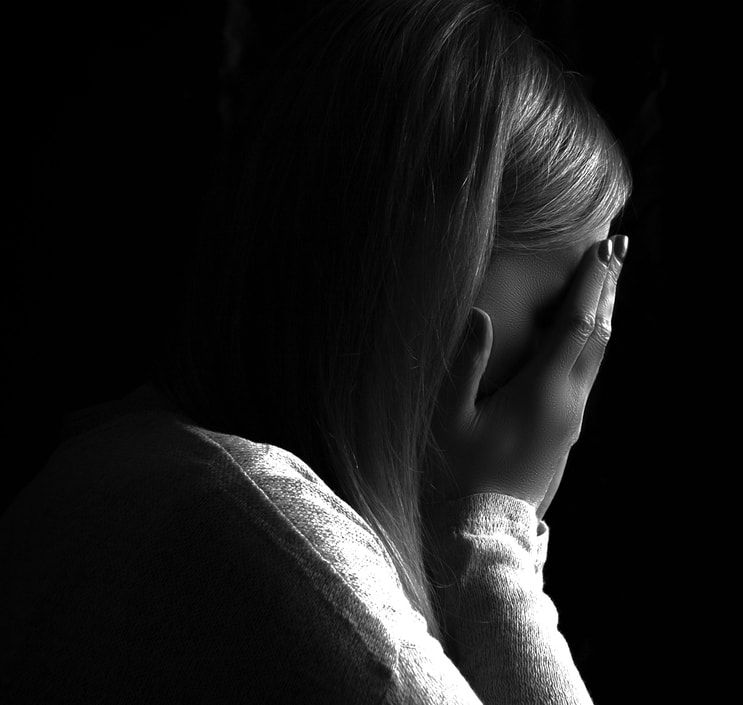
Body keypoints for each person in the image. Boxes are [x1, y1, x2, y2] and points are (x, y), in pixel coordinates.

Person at [0, 0, 631, 702]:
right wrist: (493, 536)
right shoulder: (247, 530)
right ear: (430, 281)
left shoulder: (141, 475)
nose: (566, 395)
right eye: (560, 319)